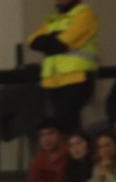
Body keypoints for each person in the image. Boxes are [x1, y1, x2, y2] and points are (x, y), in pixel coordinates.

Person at [27, 0, 100, 130]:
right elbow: (32, 40)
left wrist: (49, 40)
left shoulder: (84, 13)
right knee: (58, 126)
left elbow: (62, 43)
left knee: (68, 124)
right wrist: (53, 40)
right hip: (53, 80)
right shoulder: (54, 18)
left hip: (77, 77)